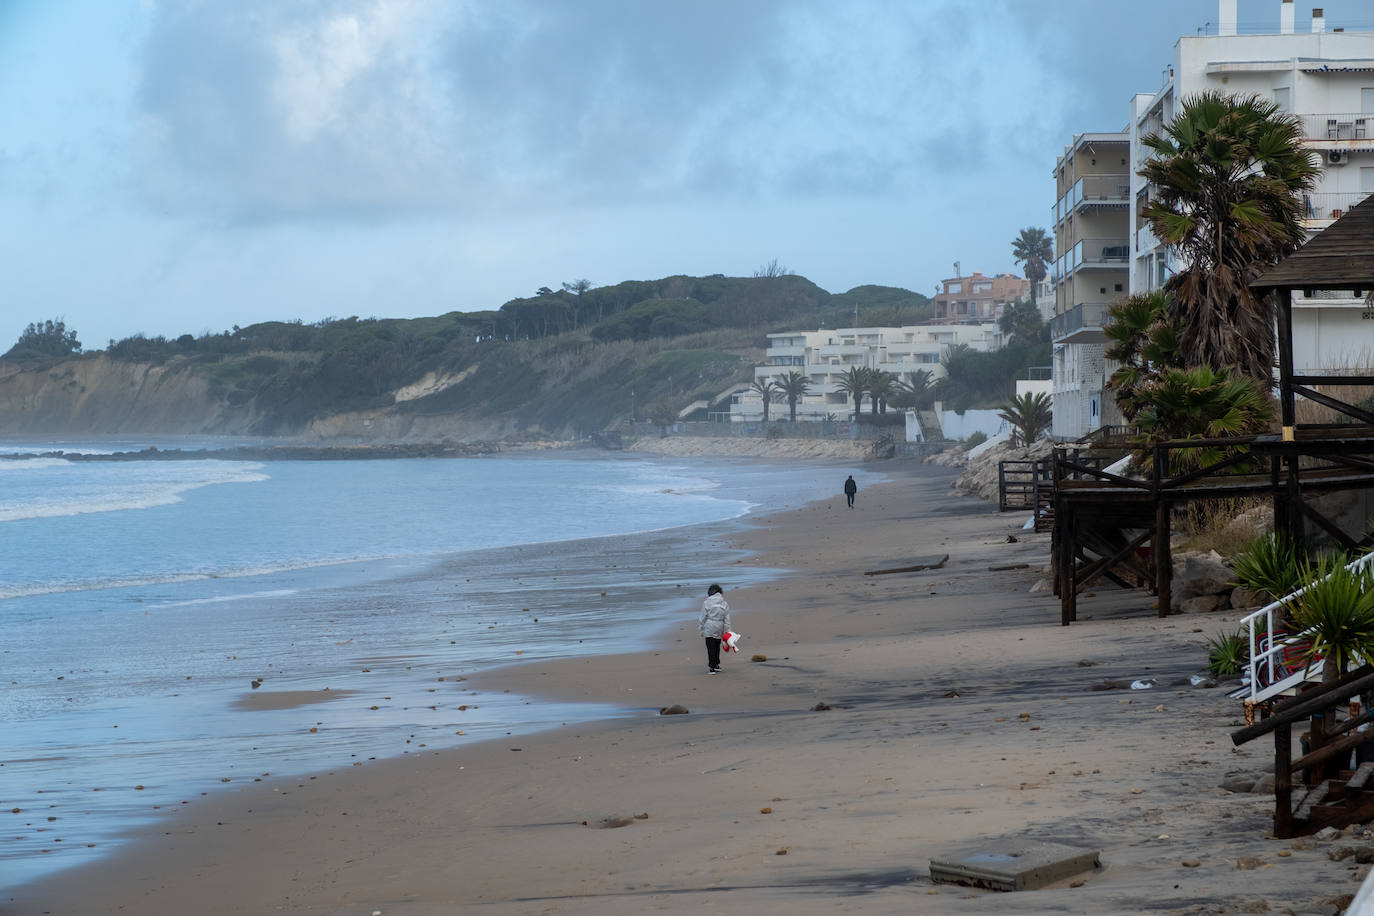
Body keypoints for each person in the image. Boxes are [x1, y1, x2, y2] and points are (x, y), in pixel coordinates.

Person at [698, 583, 731, 674]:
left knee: (710, 647)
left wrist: (701, 628)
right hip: (719, 625)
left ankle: (712, 667)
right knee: (717, 646)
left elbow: (702, 617)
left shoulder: (706, 602)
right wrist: (728, 631)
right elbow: (727, 619)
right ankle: (716, 664)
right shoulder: (724, 603)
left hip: (710, 625)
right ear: (720, 592)